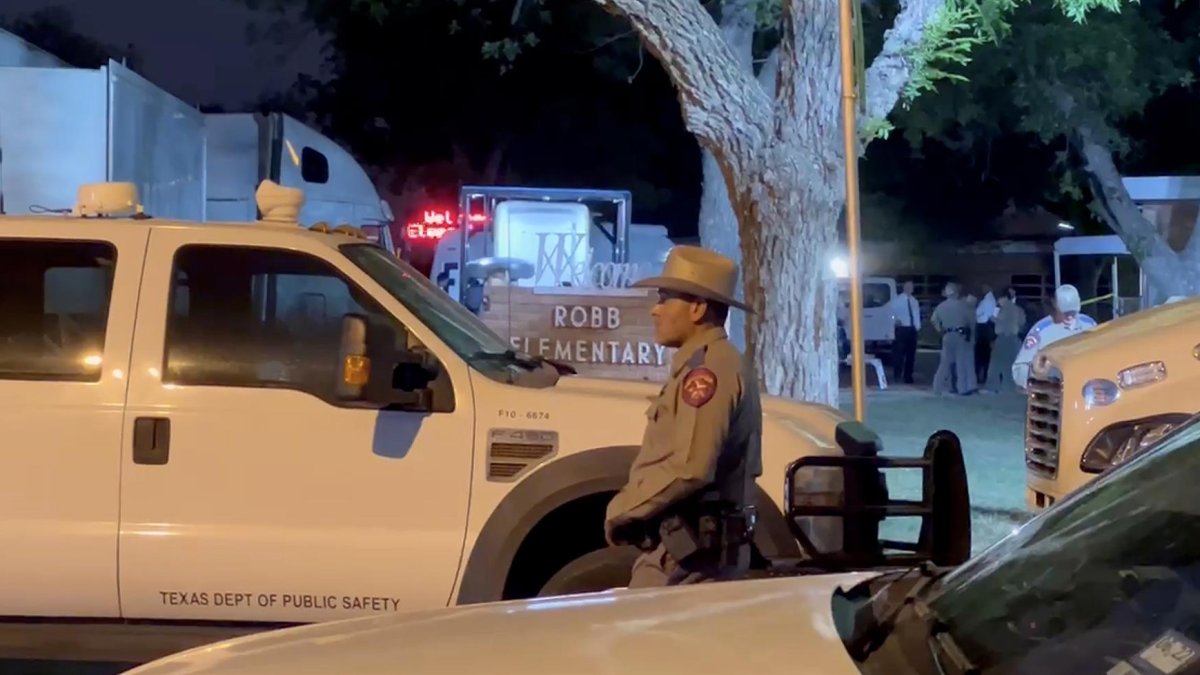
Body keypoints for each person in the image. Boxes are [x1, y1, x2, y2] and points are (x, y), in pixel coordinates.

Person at [604, 245, 761, 587]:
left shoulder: (707, 371)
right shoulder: (708, 363)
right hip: (688, 551)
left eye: (665, 298)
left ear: (697, 307)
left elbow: (691, 466)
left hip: (686, 557)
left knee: (640, 638)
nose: (654, 310)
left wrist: (623, 508)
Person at [1012, 284, 1098, 390]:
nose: (1069, 316)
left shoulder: (1089, 325)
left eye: (1073, 312)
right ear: (1056, 306)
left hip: (1085, 391)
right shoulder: (1041, 331)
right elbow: (1019, 369)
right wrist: (1034, 373)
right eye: (1065, 312)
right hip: (1053, 393)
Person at [930, 281, 977, 396]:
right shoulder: (963, 305)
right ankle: (962, 388)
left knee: (944, 363)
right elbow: (971, 321)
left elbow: (933, 320)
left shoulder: (941, 306)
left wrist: (940, 329)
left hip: (947, 335)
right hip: (960, 335)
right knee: (961, 363)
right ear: (956, 293)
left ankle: (937, 388)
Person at [984, 288, 1026, 392]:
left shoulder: (1003, 309)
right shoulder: (1018, 309)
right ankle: (1010, 386)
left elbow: (997, 320)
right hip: (1014, 338)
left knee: (995, 363)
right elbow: (1022, 322)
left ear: (1003, 298)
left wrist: (994, 318)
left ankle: (992, 386)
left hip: (1003, 337)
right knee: (1010, 363)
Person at [890, 280, 920, 384]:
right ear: (904, 288)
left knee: (911, 355)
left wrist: (917, 327)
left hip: (912, 329)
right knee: (899, 353)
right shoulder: (897, 300)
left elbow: (916, 315)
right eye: (908, 287)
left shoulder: (914, 301)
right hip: (901, 328)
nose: (910, 289)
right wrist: (895, 320)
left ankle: (908, 376)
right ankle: (897, 374)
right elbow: (891, 313)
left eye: (912, 287)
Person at [974, 284, 997, 384]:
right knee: (985, 355)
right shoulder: (988, 300)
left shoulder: (988, 301)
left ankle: (980, 376)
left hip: (983, 328)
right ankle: (982, 376)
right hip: (986, 328)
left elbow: (981, 314)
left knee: (981, 354)